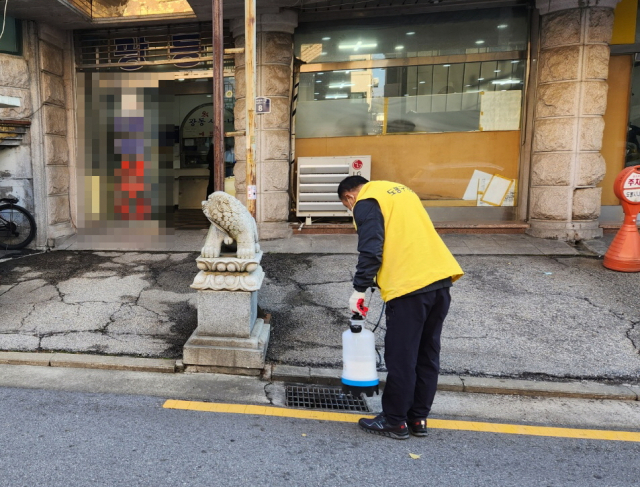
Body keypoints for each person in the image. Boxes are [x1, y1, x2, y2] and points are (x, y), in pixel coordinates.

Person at [337, 176, 463, 440]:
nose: (351, 211)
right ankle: (417, 418)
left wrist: (359, 289)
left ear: (349, 197)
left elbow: (371, 248)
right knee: (426, 354)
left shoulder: (366, 201)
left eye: (347, 207)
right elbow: (402, 238)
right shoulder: (398, 191)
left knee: (402, 357)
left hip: (410, 288)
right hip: (440, 281)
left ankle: (394, 421)